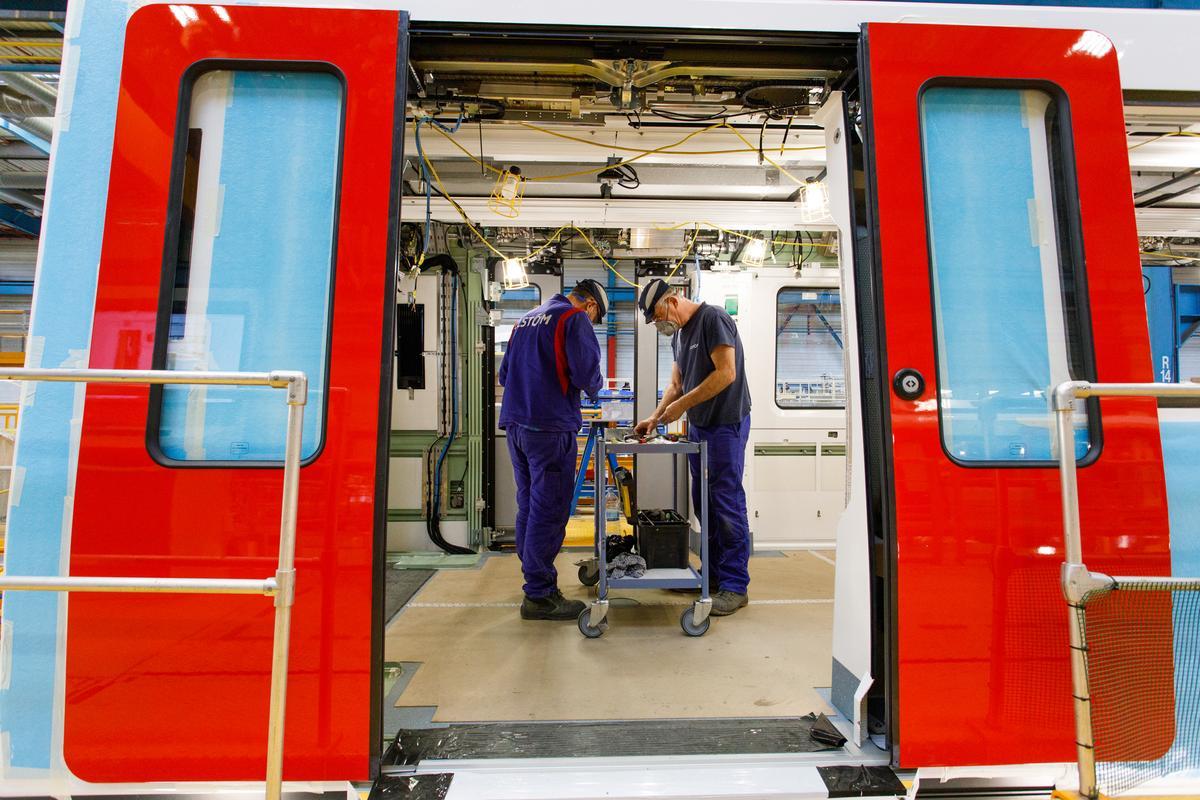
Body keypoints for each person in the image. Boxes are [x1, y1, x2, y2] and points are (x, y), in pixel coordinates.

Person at [634, 278, 751, 616]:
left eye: (658, 316)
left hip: (726, 423)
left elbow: (726, 373)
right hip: (699, 427)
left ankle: (734, 585)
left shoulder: (713, 319)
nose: (659, 324)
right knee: (704, 504)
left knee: (726, 502)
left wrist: (682, 406)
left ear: (672, 299)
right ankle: (712, 576)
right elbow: (676, 384)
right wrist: (655, 417)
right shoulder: (681, 337)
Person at [498, 278, 608, 620]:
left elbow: (504, 375)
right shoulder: (572, 319)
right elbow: (588, 376)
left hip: (516, 427)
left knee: (529, 504)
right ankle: (540, 594)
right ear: (589, 305)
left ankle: (534, 575)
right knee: (550, 509)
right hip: (549, 428)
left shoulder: (524, 320)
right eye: (594, 317)